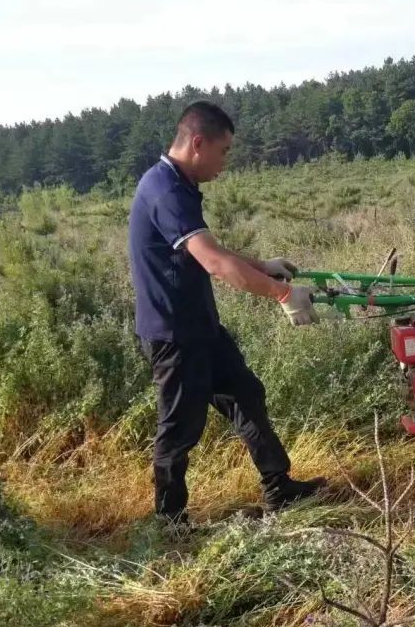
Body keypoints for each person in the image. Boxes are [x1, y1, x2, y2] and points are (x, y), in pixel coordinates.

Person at [127, 99, 325, 524]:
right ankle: (170, 525)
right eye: (224, 151)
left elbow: (210, 251)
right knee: (179, 430)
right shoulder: (165, 190)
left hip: (202, 329)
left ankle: (280, 488)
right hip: (175, 336)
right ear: (198, 143)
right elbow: (216, 265)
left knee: (246, 395)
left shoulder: (176, 185)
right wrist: (281, 294)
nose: (225, 162)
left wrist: (260, 266)